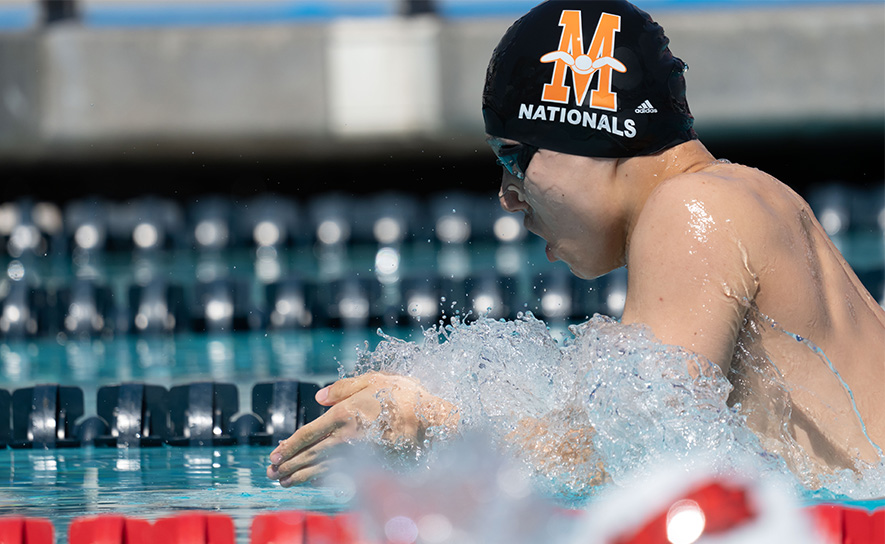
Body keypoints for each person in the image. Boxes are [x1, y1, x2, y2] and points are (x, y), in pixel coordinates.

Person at [267, 0, 885, 488]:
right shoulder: (749, 195)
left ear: (585, 133)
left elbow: (643, 458)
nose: (508, 197)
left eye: (513, 156)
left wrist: (431, 426)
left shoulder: (693, 209)